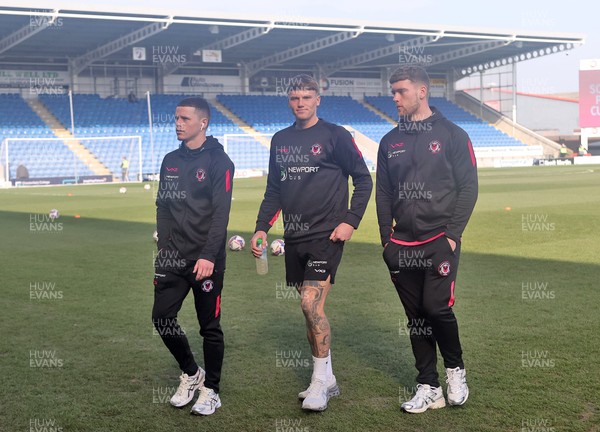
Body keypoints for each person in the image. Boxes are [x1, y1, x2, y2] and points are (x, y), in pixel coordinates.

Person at [251, 74, 373, 412]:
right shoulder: (280, 140)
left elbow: (363, 180)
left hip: (327, 235)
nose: (301, 102)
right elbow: (274, 189)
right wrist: (262, 227)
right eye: (294, 98)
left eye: (306, 96)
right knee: (309, 312)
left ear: (318, 99)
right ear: (289, 101)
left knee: (309, 304)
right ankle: (327, 378)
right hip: (294, 236)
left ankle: (319, 383)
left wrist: (350, 221)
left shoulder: (336, 136)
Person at [376, 65, 478, 414]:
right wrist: (385, 242)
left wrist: (451, 236)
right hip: (401, 245)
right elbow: (384, 193)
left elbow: (469, 188)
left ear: (422, 91)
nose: (394, 97)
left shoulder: (452, 134)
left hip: (439, 240)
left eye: (401, 91)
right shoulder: (390, 141)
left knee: (437, 308)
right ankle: (428, 386)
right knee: (416, 317)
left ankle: (455, 370)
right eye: (393, 91)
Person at [152, 97, 234, 416]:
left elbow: (220, 214)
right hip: (173, 258)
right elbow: (162, 205)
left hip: (205, 260)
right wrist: (164, 249)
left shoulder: (219, 162)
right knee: (161, 317)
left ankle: (211, 390)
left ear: (203, 123)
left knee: (209, 327)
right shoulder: (170, 160)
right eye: (176, 118)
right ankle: (190, 372)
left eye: (184, 118)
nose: (177, 123)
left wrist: (209, 255)